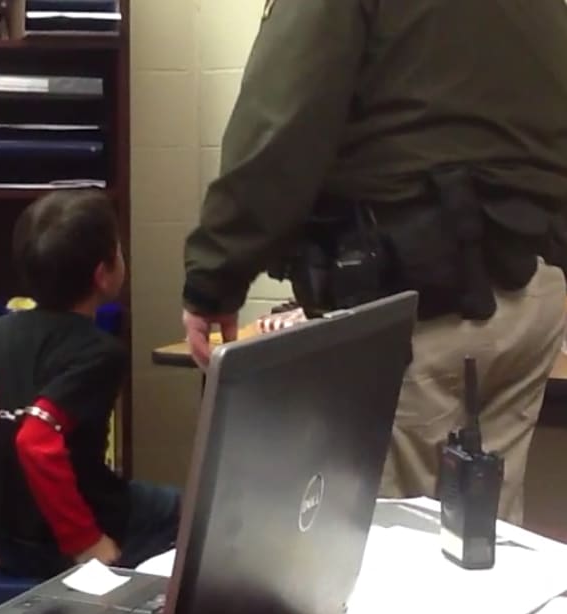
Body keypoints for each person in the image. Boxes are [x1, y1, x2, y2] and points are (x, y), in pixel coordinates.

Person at [182, 0, 567, 525]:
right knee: (483, 542)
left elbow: (281, 126)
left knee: (389, 548)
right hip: (530, 292)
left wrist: (214, 278)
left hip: (421, 303)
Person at [0, 189, 180, 577]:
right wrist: (85, 541)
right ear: (104, 275)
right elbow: (36, 441)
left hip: (1, 537)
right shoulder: (101, 352)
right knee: (196, 514)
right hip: (62, 543)